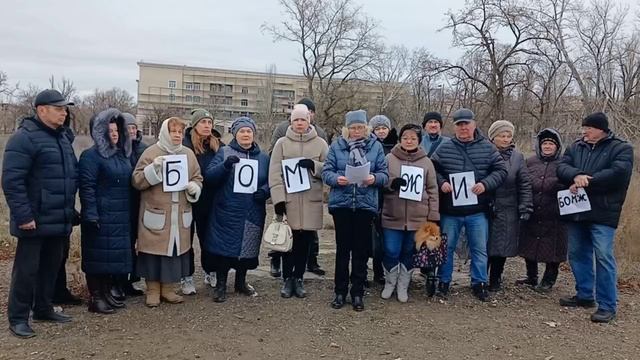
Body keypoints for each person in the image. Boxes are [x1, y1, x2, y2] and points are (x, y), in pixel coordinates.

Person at [2, 89, 78, 338]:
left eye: (65, 109)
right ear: (41, 110)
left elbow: (66, 178)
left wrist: (70, 210)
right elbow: (13, 182)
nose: (64, 113)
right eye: (59, 108)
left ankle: (43, 308)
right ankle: (18, 317)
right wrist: (24, 216)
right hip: (33, 220)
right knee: (26, 271)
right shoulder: (24, 139)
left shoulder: (62, 138)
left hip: (58, 217)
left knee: (51, 267)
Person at [556, 112, 634, 323]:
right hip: (577, 211)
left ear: (601, 128)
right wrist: (576, 175)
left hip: (603, 212)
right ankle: (584, 295)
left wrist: (586, 181)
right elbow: (562, 166)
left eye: (588, 128)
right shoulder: (576, 146)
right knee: (576, 253)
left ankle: (608, 305)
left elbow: (619, 173)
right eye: (584, 128)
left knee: (603, 256)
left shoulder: (622, 148)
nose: (584, 132)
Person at [431, 108, 507, 302]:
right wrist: (442, 183)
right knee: (446, 248)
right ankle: (444, 281)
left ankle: (479, 283)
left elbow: (501, 171)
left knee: (479, 248)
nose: (463, 128)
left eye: (466, 124)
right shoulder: (445, 148)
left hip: (477, 210)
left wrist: (485, 184)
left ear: (474, 125)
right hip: (451, 210)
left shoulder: (488, 148)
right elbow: (433, 170)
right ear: (455, 127)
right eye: (459, 124)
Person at [132, 117, 203, 307]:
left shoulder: (188, 154)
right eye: (174, 132)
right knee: (153, 254)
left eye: (180, 132)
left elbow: (197, 177)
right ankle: (153, 290)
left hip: (179, 216)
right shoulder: (151, 152)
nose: (178, 135)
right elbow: (137, 180)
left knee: (173, 252)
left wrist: (194, 188)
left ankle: (169, 289)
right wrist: (153, 170)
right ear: (165, 133)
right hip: (156, 214)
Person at [322, 109, 388, 311]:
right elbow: (326, 172)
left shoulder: (376, 147)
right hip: (341, 203)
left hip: (365, 204)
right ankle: (340, 291)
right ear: (347, 129)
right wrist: (336, 179)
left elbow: (384, 174)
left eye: (360, 127)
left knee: (360, 251)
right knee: (343, 250)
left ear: (366, 128)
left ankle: (357, 292)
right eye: (353, 127)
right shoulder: (336, 146)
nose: (356, 131)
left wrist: (374, 179)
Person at [204, 117, 270, 303]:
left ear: (253, 134)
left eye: (249, 131)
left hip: (252, 209)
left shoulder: (263, 157)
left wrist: (264, 191)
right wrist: (225, 166)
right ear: (235, 134)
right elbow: (209, 177)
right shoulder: (225, 152)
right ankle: (221, 285)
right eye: (242, 131)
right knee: (224, 249)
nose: (246, 134)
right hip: (228, 209)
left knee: (247, 248)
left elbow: (272, 180)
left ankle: (241, 282)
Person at [269, 104, 329, 298]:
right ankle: (287, 279)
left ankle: (299, 277)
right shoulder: (281, 144)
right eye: (296, 120)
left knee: (305, 242)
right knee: (288, 242)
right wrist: (278, 199)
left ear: (309, 121)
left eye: (303, 119)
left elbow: (329, 170)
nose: (300, 123)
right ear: (291, 122)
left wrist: (314, 166)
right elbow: (275, 174)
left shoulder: (320, 143)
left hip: (311, 200)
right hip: (289, 201)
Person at [79, 108, 133, 314]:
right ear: (99, 132)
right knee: (96, 258)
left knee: (110, 258)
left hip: (119, 215)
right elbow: (87, 187)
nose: (114, 133)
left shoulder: (121, 155)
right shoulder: (91, 156)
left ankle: (107, 293)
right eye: (109, 130)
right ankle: (96, 297)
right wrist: (91, 213)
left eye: (117, 129)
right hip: (101, 214)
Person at [380, 124, 439, 303]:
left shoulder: (426, 161)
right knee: (391, 250)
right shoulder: (389, 158)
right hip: (392, 214)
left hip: (417, 217)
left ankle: (403, 285)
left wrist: (433, 215)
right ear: (400, 139)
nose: (409, 141)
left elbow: (432, 189)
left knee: (409, 251)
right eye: (406, 137)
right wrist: (391, 183)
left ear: (419, 141)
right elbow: (380, 181)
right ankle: (390, 282)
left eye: (413, 138)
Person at [485, 120, 533, 292]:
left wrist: (525, 207)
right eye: (501, 136)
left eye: (508, 136)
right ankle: (480, 277)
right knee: (485, 244)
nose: (505, 139)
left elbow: (524, 183)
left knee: (503, 246)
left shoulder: (518, 157)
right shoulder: (484, 152)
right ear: (493, 138)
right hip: (487, 205)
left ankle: (496, 278)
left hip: (508, 206)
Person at [518, 128, 567, 293]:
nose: (547, 146)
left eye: (551, 144)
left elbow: (569, 183)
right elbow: (522, 181)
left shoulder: (564, 163)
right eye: (544, 143)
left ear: (557, 147)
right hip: (533, 210)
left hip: (554, 212)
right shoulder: (530, 161)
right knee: (529, 244)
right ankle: (531, 276)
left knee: (553, 248)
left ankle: (549, 279)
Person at [181, 109, 223, 295]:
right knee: (185, 239)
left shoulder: (218, 145)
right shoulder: (185, 145)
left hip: (210, 199)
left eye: (209, 122)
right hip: (188, 199)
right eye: (203, 122)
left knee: (208, 238)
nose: (207, 126)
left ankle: (211, 270)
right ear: (194, 125)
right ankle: (186, 275)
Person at [120, 112, 147, 297]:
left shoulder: (144, 149)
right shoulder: (117, 148)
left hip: (141, 200)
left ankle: (131, 281)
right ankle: (119, 281)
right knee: (124, 244)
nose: (131, 131)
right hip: (122, 202)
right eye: (127, 127)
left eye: (133, 127)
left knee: (138, 243)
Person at [369, 114, 397, 285]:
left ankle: (390, 272)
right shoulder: (369, 146)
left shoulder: (397, 146)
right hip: (374, 195)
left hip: (392, 197)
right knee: (373, 239)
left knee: (389, 238)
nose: (381, 131)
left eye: (384, 128)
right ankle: (376, 271)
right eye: (377, 128)